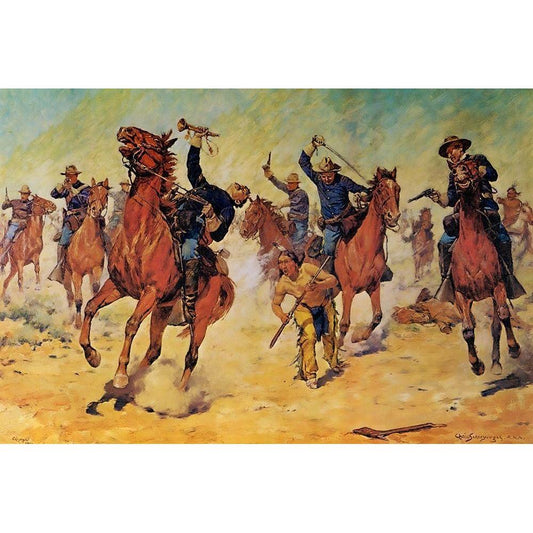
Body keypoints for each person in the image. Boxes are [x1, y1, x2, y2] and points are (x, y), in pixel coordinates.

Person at [166, 130, 250, 323]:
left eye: (243, 190)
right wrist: (197, 139)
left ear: (239, 201)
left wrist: (211, 214)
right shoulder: (209, 188)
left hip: (192, 226)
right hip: (175, 214)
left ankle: (188, 301)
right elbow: (192, 167)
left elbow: (219, 234)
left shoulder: (228, 208)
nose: (241, 186)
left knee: (188, 252)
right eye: (241, 186)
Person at [429, 136, 516, 293]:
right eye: (448, 153)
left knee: (503, 238)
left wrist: (483, 171)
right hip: (463, 211)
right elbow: (452, 198)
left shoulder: (478, 159)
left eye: (451, 151)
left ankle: (508, 279)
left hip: (485, 207)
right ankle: (447, 282)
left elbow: (494, 175)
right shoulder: (453, 172)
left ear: (460, 147)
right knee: (444, 243)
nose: (450, 155)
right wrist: (439, 199)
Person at [298, 134, 370, 273]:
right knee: (328, 249)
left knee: (367, 241)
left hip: (349, 220)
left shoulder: (343, 181)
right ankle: (331, 277)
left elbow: (362, 190)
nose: (326, 179)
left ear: (334, 172)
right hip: (332, 226)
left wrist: (362, 195)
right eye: (324, 176)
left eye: (329, 176)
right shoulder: (318, 179)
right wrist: (313, 145)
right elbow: (303, 162)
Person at [271, 250, 341, 389]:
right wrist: (282, 315)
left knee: (329, 335)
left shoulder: (307, 269)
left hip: (324, 305)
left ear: (295, 262)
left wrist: (318, 286)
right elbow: (275, 304)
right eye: (280, 263)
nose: (283, 266)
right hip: (303, 309)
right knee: (309, 337)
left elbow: (333, 280)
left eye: (286, 262)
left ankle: (332, 360)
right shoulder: (283, 283)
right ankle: (310, 374)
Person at [48, 165, 91, 282]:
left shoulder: (85, 188)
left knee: (101, 235)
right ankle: (60, 267)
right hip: (71, 219)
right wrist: (60, 187)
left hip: (84, 216)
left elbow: (85, 200)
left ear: (76, 176)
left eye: (71, 176)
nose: (68, 178)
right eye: (67, 176)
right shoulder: (66, 188)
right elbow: (54, 195)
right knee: (63, 240)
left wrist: (72, 189)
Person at [263, 164, 309, 259]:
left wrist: (279, 205)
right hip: (291, 222)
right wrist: (270, 176)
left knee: (296, 243)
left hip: (300, 224)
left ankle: (298, 260)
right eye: (288, 183)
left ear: (296, 184)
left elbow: (292, 202)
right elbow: (280, 185)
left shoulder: (301, 193)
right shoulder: (291, 190)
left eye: (291, 183)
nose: (288, 185)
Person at [0, 184, 33, 262]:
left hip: (26, 224)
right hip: (15, 224)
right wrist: (6, 202)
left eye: (25, 194)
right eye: (22, 193)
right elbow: (4, 207)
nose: (23, 195)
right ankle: (3, 255)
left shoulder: (31, 204)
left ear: (28, 195)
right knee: (9, 236)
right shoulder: (15, 202)